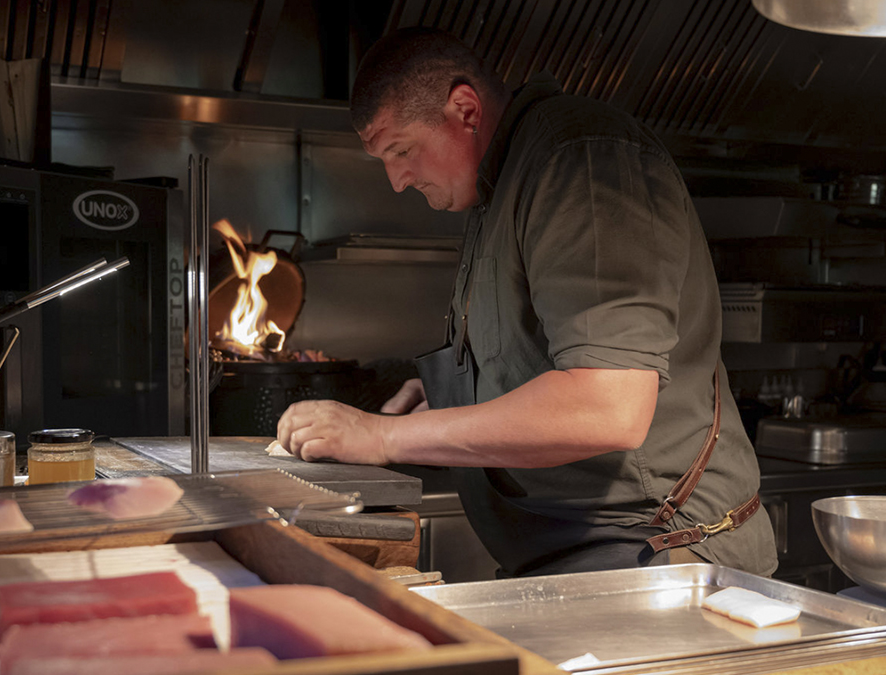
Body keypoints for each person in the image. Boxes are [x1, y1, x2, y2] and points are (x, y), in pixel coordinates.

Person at [276, 27, 776, 577]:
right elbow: (540, 354)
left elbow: (605, 407)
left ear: (464, 109)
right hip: (574, 555)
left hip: (659, 554)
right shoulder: (501, 183)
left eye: (401, 150)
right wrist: (456, 392)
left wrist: (382, 436)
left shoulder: (578, 159)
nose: (397, 181)